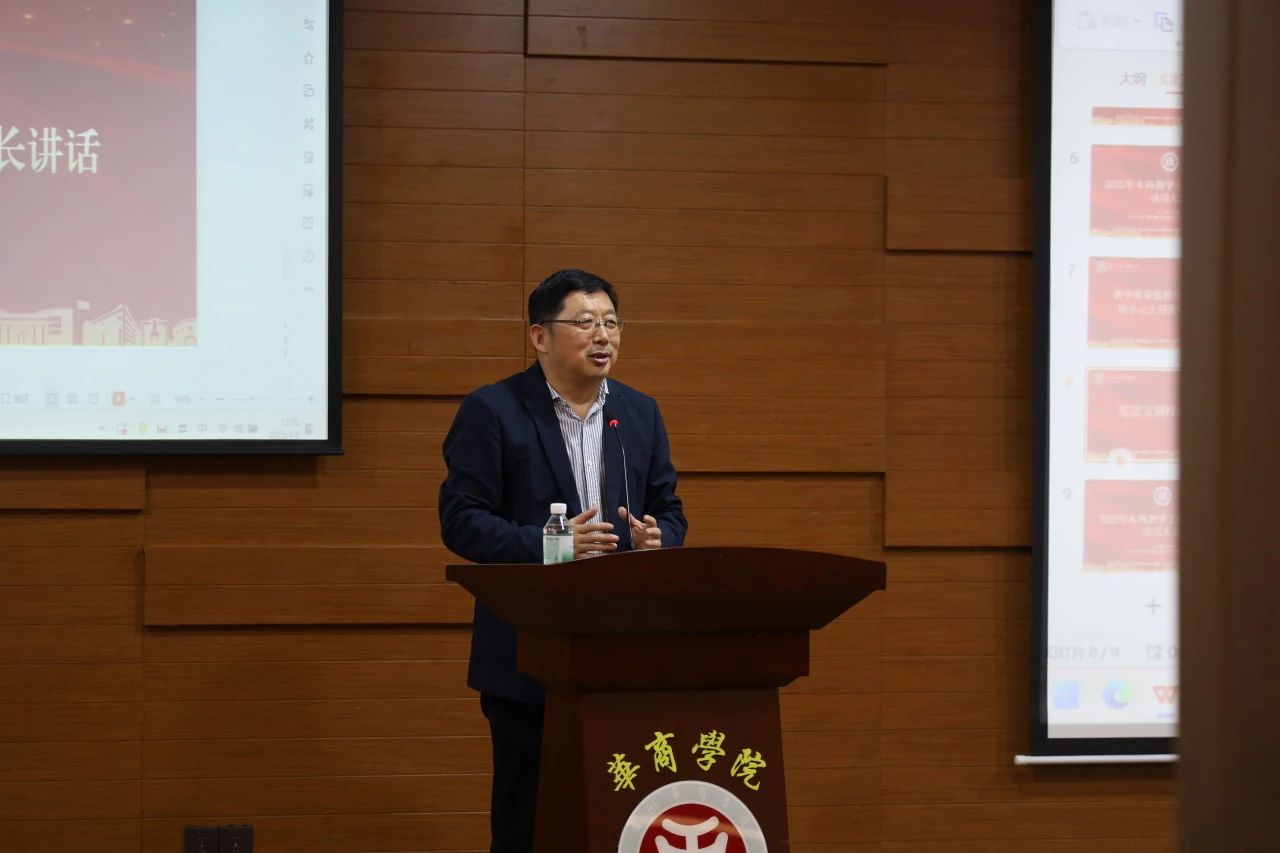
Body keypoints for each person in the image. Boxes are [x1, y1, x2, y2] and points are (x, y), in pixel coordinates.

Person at [439, 268, 687, 852]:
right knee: (528, 825)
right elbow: (461, 520)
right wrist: (552, 546)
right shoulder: (493, 410)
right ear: (540, 336)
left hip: (620, 653)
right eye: (585, 322)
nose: (603, 335)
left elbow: (670, 510)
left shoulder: (640, 413)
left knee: (617, 818)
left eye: (612, 322)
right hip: (530, 654)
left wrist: (658, 539)